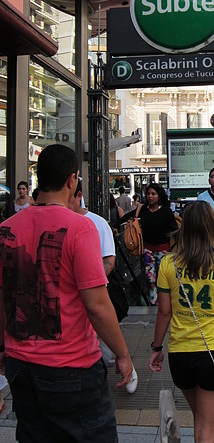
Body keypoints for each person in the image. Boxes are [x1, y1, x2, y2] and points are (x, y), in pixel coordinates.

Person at [0, 144, 133, 443]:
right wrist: (123, 354)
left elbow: (3, 298)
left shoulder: (6, 229)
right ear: (72, 180)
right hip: (71, 368)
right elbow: (97, 304)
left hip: (20, 365)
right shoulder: (80, 228)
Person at [149, 201, 214, 443]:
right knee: (206, 431)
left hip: (180, 356)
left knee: (200, 421)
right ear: (212, 226)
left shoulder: (168, 264)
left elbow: (164, 312)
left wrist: (156, 348)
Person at [68, 179, 138, 393]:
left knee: (105, 344)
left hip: (96, 293)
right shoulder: (60, 220)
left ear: (79, 196)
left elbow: (109, 261)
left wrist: (90, 281)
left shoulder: (97, 223)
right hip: (69, 301)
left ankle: (126, 364)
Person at [139, 183, 178, 305]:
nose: (150, 196)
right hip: (148, 250)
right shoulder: (143, 210)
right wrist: (114, 226)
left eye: (153, 194)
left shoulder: (166, 211)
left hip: (164, 251)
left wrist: (175, 249)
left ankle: (166, 302)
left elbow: (175, 229)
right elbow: (128, 217)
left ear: (159, 196)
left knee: (164, 278)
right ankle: (154, 302)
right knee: (150, 278)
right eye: (148, 194)